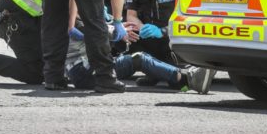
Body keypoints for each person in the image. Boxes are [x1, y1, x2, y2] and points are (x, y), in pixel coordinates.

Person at [65, 20, 215, 94]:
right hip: (83, 70)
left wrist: (117, 26)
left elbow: (98, 26)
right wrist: (118, 30)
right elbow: (92, 31)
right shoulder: (73, 16)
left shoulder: (77, 8)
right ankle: (188, 79)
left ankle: (179, 78)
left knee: (138, 58)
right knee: (139, 59)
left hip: (90, 66)